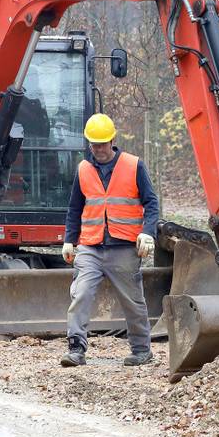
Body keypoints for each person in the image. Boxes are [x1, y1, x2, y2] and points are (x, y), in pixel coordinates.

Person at [59, 113, 159, 368]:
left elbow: (151, 203)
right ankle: (76, 350)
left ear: (113, 140)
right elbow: (74, 208)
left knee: (132, 301)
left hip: (123, 247)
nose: (99, 149)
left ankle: (141, 350)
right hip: (90, 246)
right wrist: (69, 240)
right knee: (80, 294)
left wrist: (148, 232)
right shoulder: (83, 169)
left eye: (102, 144)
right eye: (94, 145)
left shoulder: (134, 165)